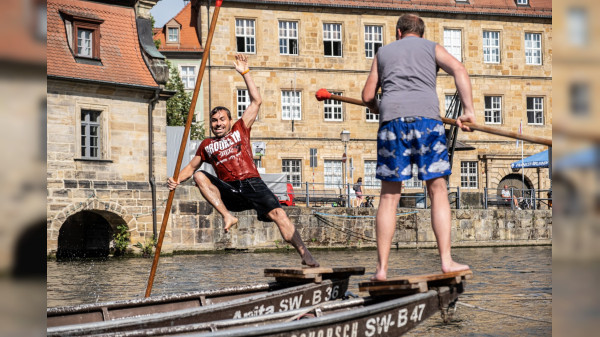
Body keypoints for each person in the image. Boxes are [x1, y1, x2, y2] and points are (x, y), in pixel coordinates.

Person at [167, 54, 319, 267]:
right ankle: (227, 216)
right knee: (199, 175)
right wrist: (176, 180)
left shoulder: (241, 128)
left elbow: (257, 101)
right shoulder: (206, 145)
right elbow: (191, 167)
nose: (218, 124)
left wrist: (245, 73)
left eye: (222, 120)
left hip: (253, 183)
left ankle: (305, 254)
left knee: (279, 215)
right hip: (229, 190)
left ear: (229, 121)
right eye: (214, 121)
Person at [362, 14, 471, 280]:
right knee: (438, 190)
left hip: (392, 123)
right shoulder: (431, 47)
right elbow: (459, 69)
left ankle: (382, 270)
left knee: (389, 197)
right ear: (420, 33)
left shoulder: (383, 52)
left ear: (398, 33)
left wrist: (378, 106)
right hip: (427, 122)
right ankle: (446, 261)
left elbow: (367, 96)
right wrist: (468, 110)